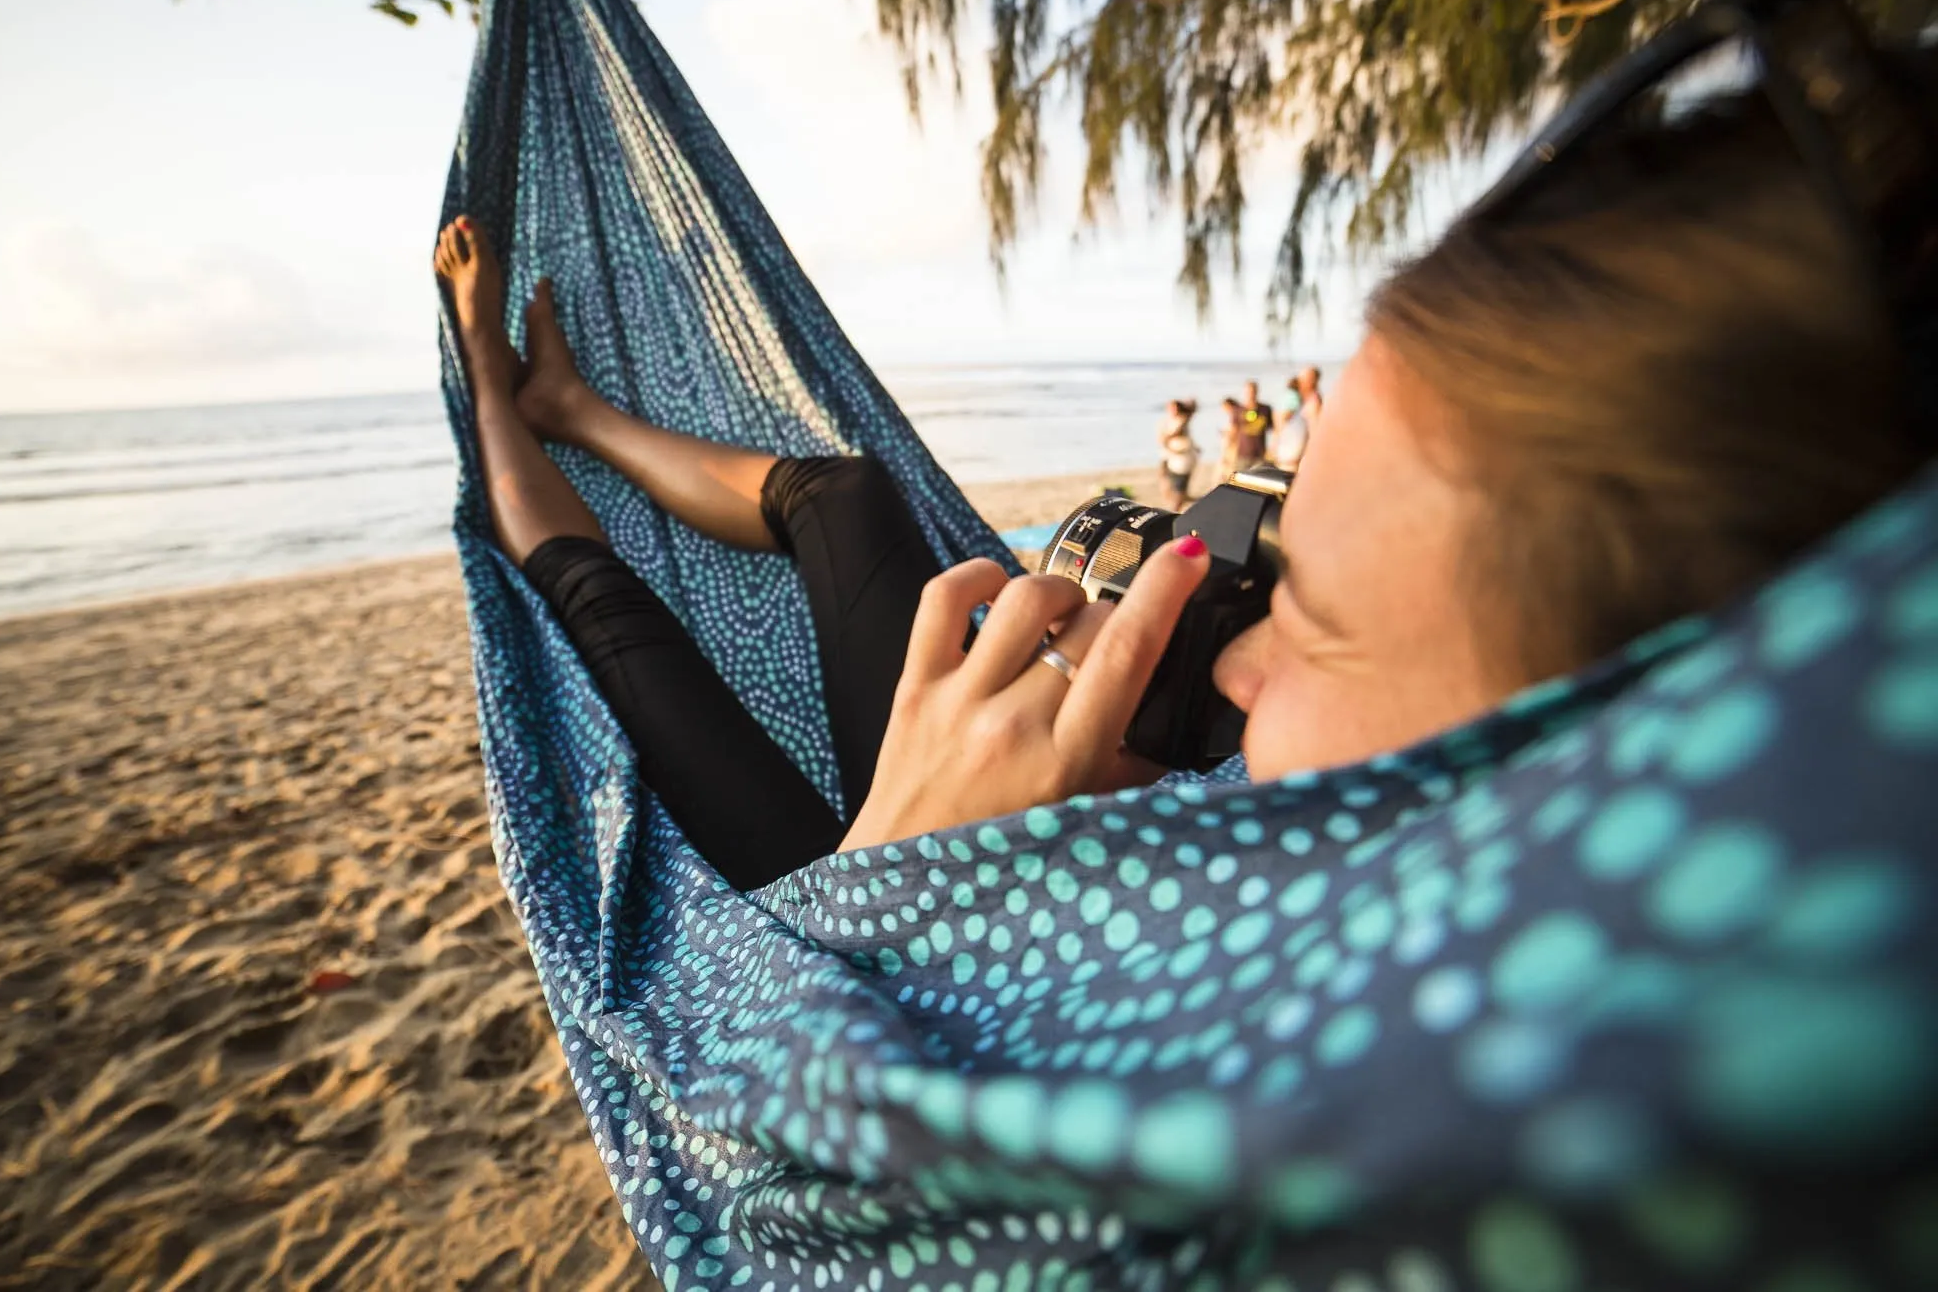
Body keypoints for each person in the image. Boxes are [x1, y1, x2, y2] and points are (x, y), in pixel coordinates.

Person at [437, 68, 1930, 877]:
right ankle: (568, 403)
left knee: (610, 617)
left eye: (1318, 617)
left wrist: (891, 878)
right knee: (843, 496)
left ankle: (512, 412)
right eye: (1276, 579)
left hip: (817, 909)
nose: (1236, 666)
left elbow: (772, 1176)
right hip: (1024, 777)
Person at [1154, 398, 1199, 511]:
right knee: (1166, 481)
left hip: (1181, 460)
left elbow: (1173, 434)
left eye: (1173, 408)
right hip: (1171, 458)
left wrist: (1166, 439)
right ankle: (1178, 502)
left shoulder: (1182, 420)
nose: (1170, 410)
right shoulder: (1169, 421)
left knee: (1179, 487)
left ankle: (1177, 507)